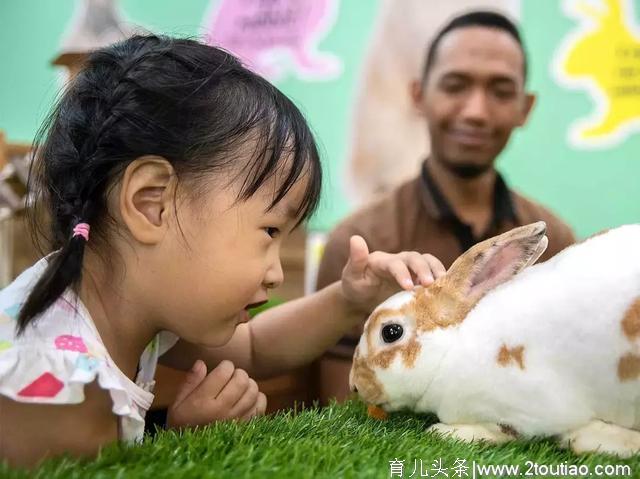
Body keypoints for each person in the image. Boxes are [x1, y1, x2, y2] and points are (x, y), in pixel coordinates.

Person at [0, 35, 447, 468]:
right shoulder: (60, 385)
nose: (274, 273)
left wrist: (350, 299)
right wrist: (179, 447)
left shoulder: (127, 305)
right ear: (151, 204)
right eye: (269, 230)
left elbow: (255, 348)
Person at [316, 11, 576, 402]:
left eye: (501, 91)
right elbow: (340, 412)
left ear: (525, 107)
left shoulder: (552, 240)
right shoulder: (361, 244)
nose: (475, 111)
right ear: (418, 95)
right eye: (455, 86)